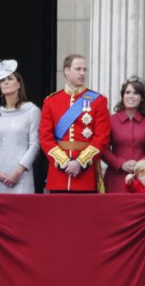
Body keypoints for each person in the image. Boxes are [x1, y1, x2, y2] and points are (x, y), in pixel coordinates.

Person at [40, 54, 110, 193]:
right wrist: (64, 162)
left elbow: (102, 137)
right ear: (66, 71)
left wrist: (80, 163)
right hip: (59, 174)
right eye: (78, 69)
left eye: (85, 69)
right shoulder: (51, 101)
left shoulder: (98, 100)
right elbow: (45, 137)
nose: (82, 73)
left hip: (86, 174)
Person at [0, 60, 39, 195]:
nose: (5, 82)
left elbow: (35, 145)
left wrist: (18, 172)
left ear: (19, 84)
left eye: (10, 79)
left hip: (22, 174)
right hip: (0, 175)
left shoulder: (32, 110)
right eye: (2, 81)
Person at [104, 77, 145, 193]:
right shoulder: (111, 120)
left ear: (142, 98)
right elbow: (103, 149)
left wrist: (142, 163)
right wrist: (120, 163)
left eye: (135, 93)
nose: (130, 96)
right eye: (127, 92)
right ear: (123, 96)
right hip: (116, 176)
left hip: (143, 176)